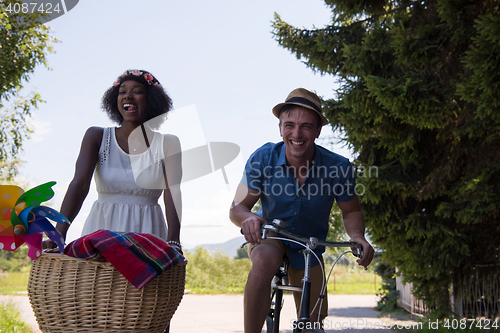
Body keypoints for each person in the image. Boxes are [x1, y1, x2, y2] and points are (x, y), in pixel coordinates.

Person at [230, 88, 375, 332]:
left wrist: (358, 236)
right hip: (272, 235)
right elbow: (237, 208)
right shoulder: (263, 158)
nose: (297, 134)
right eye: (289, 125)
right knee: (264, 261)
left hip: (311, 244)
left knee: (313, 322)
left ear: (318, 130)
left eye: (306, 126)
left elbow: (351, 212)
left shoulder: (338, 167)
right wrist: (249, 218)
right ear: (280, 128)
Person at [43, 69, 182, 253]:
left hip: (148, 232)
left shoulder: (168, 143)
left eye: (137, 91)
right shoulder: (96, 136)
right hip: (101, 230)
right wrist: (58, 234)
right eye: (122, 92)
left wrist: (173, 241)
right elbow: (79, 184)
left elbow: (172, 192)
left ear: (152, 99)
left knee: (144, 281)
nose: (128, 96)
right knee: (96, 282)